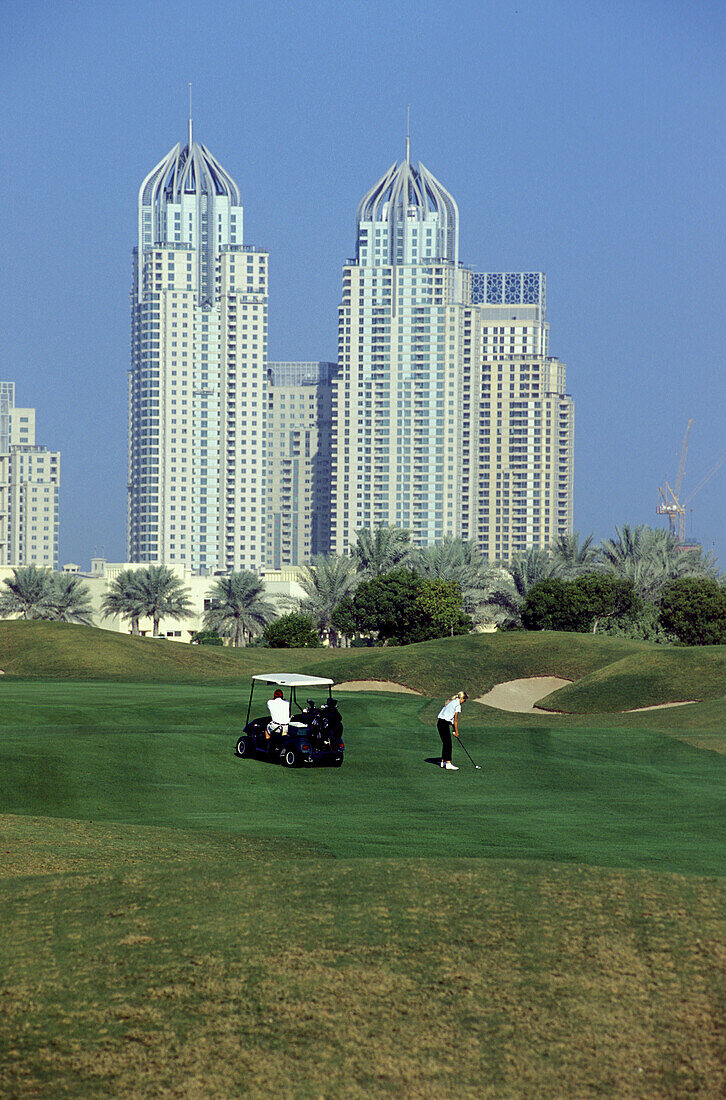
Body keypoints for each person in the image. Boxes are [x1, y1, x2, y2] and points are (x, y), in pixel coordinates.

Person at [437, 691, 468, 770]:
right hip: (444, 723)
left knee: (445, 743)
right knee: (448, 744)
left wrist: (454, 729)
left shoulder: (451, 701)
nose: (464, 702)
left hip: (440, 723)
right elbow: (455, 720)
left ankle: (443, 762)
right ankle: (448, 763)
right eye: (464, 700)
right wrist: (456, 732)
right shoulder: (457, 705)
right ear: (461, 698)